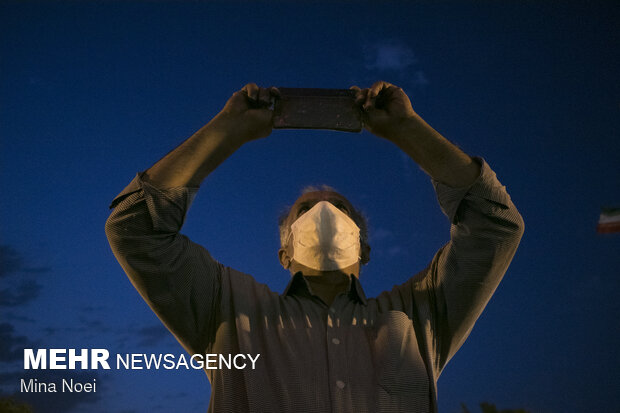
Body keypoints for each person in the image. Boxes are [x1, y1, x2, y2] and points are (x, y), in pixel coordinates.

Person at [105, 81, 524, 413]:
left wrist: (408, 130)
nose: (324, 208)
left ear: (365, 248)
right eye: (306, 208)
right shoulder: (228, 310)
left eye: (340, 207)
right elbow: (134, 229)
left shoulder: (419, 315)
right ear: (284, 253)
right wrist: (227, 130)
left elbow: (496, 226)